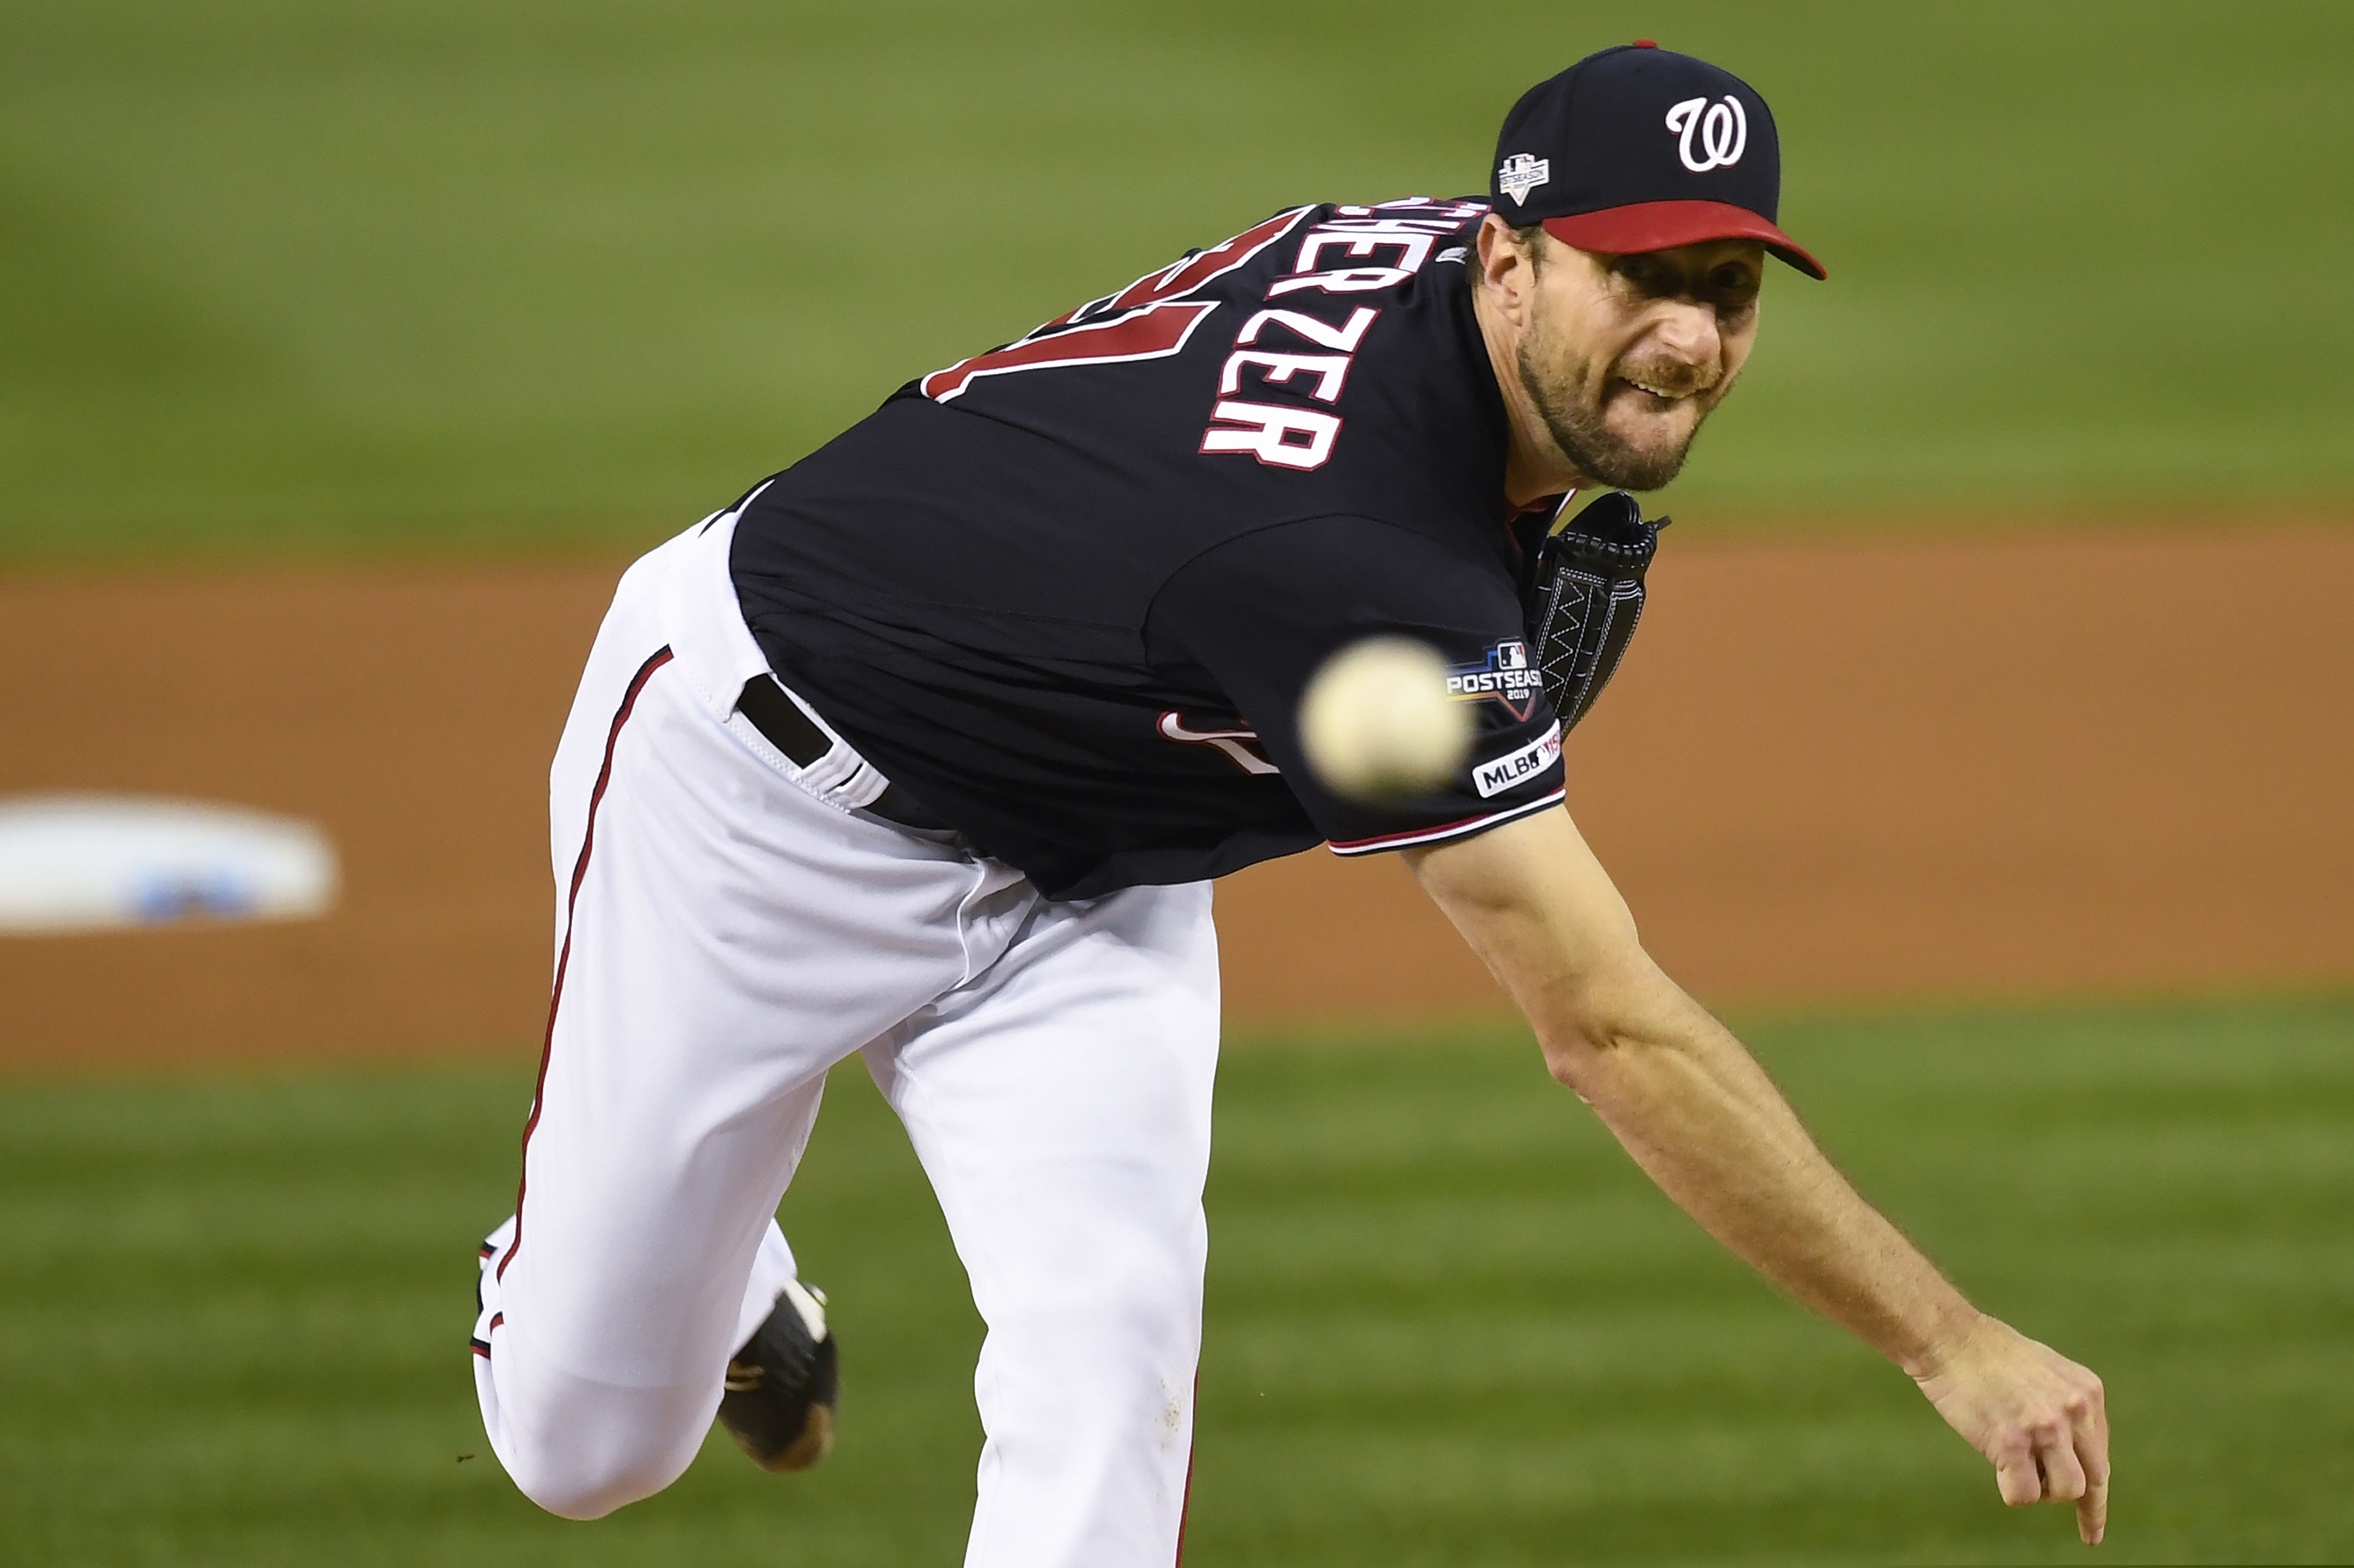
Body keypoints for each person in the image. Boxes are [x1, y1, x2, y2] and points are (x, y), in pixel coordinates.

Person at [469, 40, 2110, 1564]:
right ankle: (716, 1278)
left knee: (1110, 1347)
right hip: (757, 798)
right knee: (588, 1448)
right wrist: (1948, 1339)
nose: (1688, 335)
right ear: (1510, 258)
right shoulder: (1357, 575)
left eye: (1727, 286)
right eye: (1643, 278)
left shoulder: (1436, 280)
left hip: (1093, 863)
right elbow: (1605, 1025)